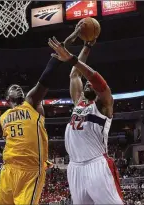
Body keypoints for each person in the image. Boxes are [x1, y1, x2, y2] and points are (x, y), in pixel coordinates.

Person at [0, 29, 80, 205]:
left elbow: (46, 76)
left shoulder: (32, 102)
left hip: (31, 171)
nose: (18, 87)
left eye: (19, 86)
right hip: (8, 171)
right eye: (13, 87)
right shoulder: (4, 118)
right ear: (7, 98)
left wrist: (66, 44)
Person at [48, 27, 123, 204]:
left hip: (97, 164)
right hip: (75, 167)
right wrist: (87, 46)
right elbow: (75, 74)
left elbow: (98, 81)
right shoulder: (78, 103)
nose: (87, 83)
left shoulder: (104, 104)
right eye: (86, 83)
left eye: (90, 84)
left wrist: (72, 59)